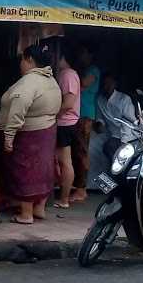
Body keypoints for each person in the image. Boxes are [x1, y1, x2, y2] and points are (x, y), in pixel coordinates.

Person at [0, 44, 62, 224]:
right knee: (43, 170)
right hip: (47, 131)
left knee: (25, 170)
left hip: (29, 134)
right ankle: (39, 208)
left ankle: (26, 214)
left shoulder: (29, 81)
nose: (20, 64)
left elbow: (19, 107)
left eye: (22, 60)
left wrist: (9, 136)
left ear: (30, 60)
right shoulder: (51, 80)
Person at [71, 43, 101, 203]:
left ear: (90, 55)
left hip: (85, 115)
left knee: (82, 151)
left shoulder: (93, 70)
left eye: (83, 53)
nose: (80, 56)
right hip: (78, 114)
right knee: (77, 151)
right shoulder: (85, 69)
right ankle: (78, 186)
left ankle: (81, 189)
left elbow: (82, 85)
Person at [55, 42, 81, 209]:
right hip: (67, 122)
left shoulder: (67, 74)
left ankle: (64, 199)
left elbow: (68, 102)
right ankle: (62, 196)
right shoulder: (67, 74)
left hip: (65, 123)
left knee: (65, 161)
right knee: (63, 161)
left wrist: (53, 115)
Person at [96, 73, 138, 161]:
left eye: (110, 83)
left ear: (115, 84)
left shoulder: (124, 99)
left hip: (127, 137)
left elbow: (130, 122)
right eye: (105, 84)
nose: (107, 86)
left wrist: (123, 142)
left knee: (111, 149)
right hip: (110, 133)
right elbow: (100, 118)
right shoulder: (100, 99)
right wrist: (100, 124)